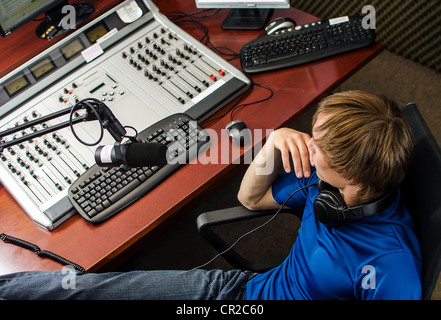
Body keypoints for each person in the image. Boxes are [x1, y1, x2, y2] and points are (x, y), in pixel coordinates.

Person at [0, 90, 421, 300]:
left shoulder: (391, 267)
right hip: (237, 293)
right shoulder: (321, 183)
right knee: (90, 290)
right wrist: (273, 143)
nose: (306, 143)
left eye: (318, 144)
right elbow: (250, 200)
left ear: (352, 178)